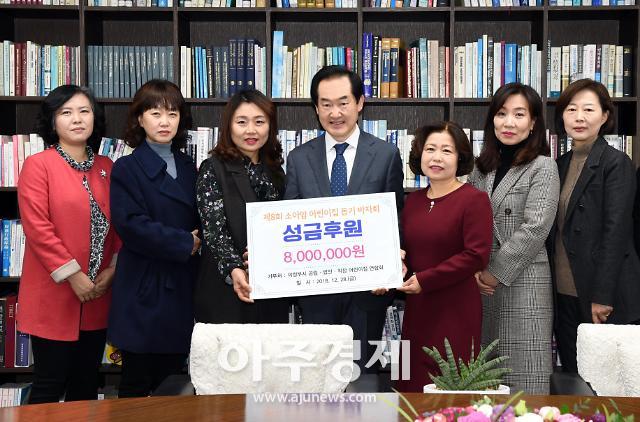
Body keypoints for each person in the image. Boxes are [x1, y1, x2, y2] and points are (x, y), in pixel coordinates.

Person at [284, 65, 404, 370]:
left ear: (360, 102)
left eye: (343, 103)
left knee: (362, 376)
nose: (335, 113)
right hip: (316, 292)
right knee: (317, 375)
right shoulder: (298, 158)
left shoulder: (386, 155)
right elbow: (290, 223)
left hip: (368, 292)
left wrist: (389, 267)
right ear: (316, 108)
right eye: (326, 104)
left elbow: (396, 219)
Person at [17, 85, 120, 403]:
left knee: (86, 386)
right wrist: (74, 276)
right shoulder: (38, 164)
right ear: (52, 121)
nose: (77, 119)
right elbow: (38, 229)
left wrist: (113, 270)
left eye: (84, 111)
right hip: (55, 293)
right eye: (66, 112)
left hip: (97, 294)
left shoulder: (107, 167)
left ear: (94, 118)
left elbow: (120, 226)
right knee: (49, 385)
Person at [108, 79, 201, 397]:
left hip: (182, 286)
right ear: (140, 118)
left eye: (172, 114)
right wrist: (185, 242)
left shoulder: (189, 166)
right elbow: (131, 226)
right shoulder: (127, 168)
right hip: (143, 289)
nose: (165, 122)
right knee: (136, 387)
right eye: (156, 113)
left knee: (175, 388)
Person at [467, 83, 560, 394]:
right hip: (482, 285)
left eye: (519, 115)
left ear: (533, 122)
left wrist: (492, 273)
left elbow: (535, 228)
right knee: (487, 382)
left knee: (526, 377)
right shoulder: (481, 169)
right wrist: (476, 270)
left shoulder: (543, 167)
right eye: (502, 113)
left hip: (523, 283)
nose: (509, 122)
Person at [547, 78, 640, 374]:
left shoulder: (616, 163)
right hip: (563, 292)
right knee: (573, 378)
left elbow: (616, 233)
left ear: (604, 116)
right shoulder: (558, 165)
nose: (579, 117)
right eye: (571, 109)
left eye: (588, 109)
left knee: (605, 382)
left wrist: (602, 296)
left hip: (600, 295)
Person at [395, 121, 492, 392]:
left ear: (460, 158)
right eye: (430, 149)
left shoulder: (474, 199)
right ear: (419, 154)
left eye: (446, 151)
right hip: (417, 308)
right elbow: (409, 251)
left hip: (455, 309)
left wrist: (425, 279)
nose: (436, 157)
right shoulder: (413, 202)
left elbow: (476, 256)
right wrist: (395, 265)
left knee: (450, 389)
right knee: (411, 385)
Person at [195, 89, 289, 323]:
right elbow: (214, 232)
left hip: (271, 290)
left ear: (270, 126)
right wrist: (235, 268)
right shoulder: (213, 168)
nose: (251, 130)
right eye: (242, 122)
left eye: (259, 122)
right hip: (227, 289)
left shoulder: (276, 172)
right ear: (229, 126)